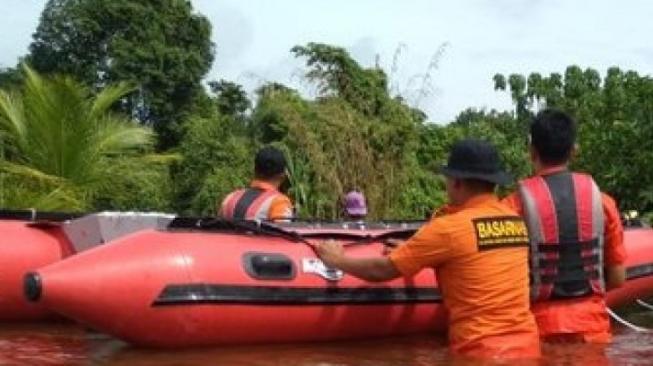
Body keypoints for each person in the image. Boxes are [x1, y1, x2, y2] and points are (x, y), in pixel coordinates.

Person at [317, 139, 541, 359]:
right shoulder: (515, 222)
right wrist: (415, 250)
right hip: (528, 348)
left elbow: (383, 270)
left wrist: (338, 260)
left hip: (480, 352)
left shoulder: (448, 228)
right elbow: (477, 259)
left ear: (457, 183)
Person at [502, 109, 626, 343]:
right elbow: (618, 278)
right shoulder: (604, 202)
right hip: (592, 330)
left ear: (531, 151)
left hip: (538, 331)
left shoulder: (511, 206)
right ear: (574, 151)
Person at [218, 146, 294, 221]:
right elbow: (282, 232)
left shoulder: (229, 199)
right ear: (283, 175)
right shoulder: (279, 203)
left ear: (255, 171)